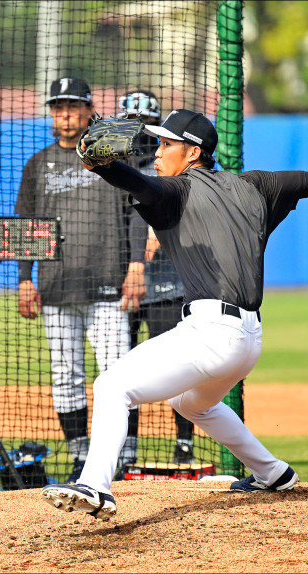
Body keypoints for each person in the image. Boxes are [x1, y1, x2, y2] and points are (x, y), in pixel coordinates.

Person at [41, 109, 308, 520]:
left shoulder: (176, 191)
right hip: (248, 339)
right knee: (192, 404)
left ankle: (94, 486)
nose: (157, 153)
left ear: (193, 152)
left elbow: (138, 182)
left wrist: (100, 163)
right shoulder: (257, 185)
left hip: (211, 332)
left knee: (111, 386)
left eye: (166, 144)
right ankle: (273, 472)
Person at [13, 77, 146, 483]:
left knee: (118, 376)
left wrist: (136, 265)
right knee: (65, 374)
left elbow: (137, 209)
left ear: (89, 110)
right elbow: (25, 226)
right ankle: (79, 455)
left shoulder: (107, 149)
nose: (65, 114)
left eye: (73, 106)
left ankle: (122, 457)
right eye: (58, 107)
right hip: (55, 287)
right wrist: (24, 279)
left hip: (108, 285)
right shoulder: (38, 163)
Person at [118, 90, 196, 466]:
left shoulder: (168, 169)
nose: (138, 133)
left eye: (145, 125)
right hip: (120, 288)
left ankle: (184, 444)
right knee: (122, 370)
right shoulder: (113, 167)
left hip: (167, 287)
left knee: (176, 368)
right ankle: (127, 446)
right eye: (130, 123)